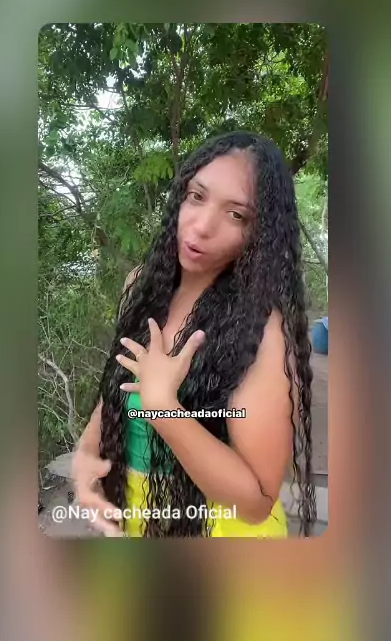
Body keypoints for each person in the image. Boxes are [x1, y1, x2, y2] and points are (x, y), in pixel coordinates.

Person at [72, 131, 316, 538]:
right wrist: (85, 453)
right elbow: (118, 386)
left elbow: (256, 503)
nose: (202, 227)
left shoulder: (262, 328)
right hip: (138, 515)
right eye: (197, 196)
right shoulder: (141, 286)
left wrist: (164, 408)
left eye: (236, 215)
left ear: (259, 233)